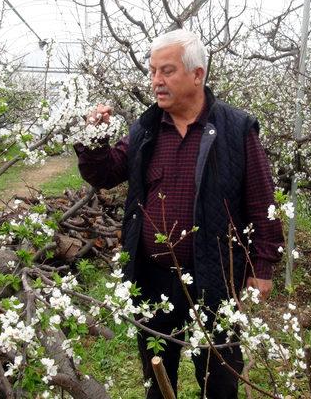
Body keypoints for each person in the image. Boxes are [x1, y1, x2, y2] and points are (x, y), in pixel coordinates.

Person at [74, 29, 284, 399]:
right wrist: (94, 140)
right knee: (157, 378)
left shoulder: (235, 129)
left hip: (216, 278)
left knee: (219, 378)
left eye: (167, 71)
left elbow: (261, 201)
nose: (156, 81)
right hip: (154, 279)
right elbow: (105, 173)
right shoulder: (146, 129)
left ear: (197, 74)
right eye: (153, 70)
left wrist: (262, 268)